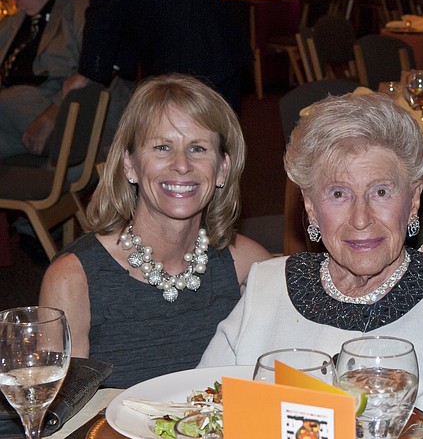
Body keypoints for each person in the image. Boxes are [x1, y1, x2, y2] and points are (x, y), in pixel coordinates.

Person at [199, 92, 423, 439]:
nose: (361, 219)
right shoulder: (266, 285)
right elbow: (202, 408)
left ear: (413, 200)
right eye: (338, 194)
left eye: (381, 192)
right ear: (310, 207)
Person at [39, 74, 270, 388]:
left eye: (198, 149)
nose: (181, 164)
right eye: (162, 147)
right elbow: (59, 416)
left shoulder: (246, 265)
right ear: (130, 165)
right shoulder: (73, 279)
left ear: (222, 169)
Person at [63, 0, 251, 125]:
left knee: (201, 144)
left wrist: (87, 73)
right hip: (202, 48)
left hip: (194, 54)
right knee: (208, 144)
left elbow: (108, 5)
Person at [0, 0, 87, 159]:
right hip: (11, 122)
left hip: (59, 116)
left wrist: (51, 116)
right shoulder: (10, 25)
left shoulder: (80, 14)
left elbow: (93, 77)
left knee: (11, 99)